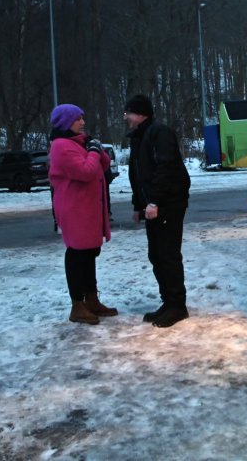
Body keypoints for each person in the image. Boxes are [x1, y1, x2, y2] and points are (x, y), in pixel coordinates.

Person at [124, 94, 191, 328]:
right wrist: (138, 204)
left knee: (168, 254)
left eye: (129, 112)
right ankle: (168, 301)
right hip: (154, 205)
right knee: (156, 255)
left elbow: (167, 168)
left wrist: (154, 201)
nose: (126, 117)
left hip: (169, 204)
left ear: (141, 114)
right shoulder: (139, 137)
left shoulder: (159, 133)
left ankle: (177, 305)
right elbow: (138, 175)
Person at [48, 103, 118, 325]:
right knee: (77, 255)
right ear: (66, 122)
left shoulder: (78, 143)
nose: (83, 122)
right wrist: (93, 152)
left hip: (88, 209)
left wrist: (95, 148)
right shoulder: (61, 146)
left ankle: (92, 299)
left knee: (89, 254)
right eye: (78, 118)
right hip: (75, 209)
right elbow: (86, 172)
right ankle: (77, 305)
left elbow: (103, 164)